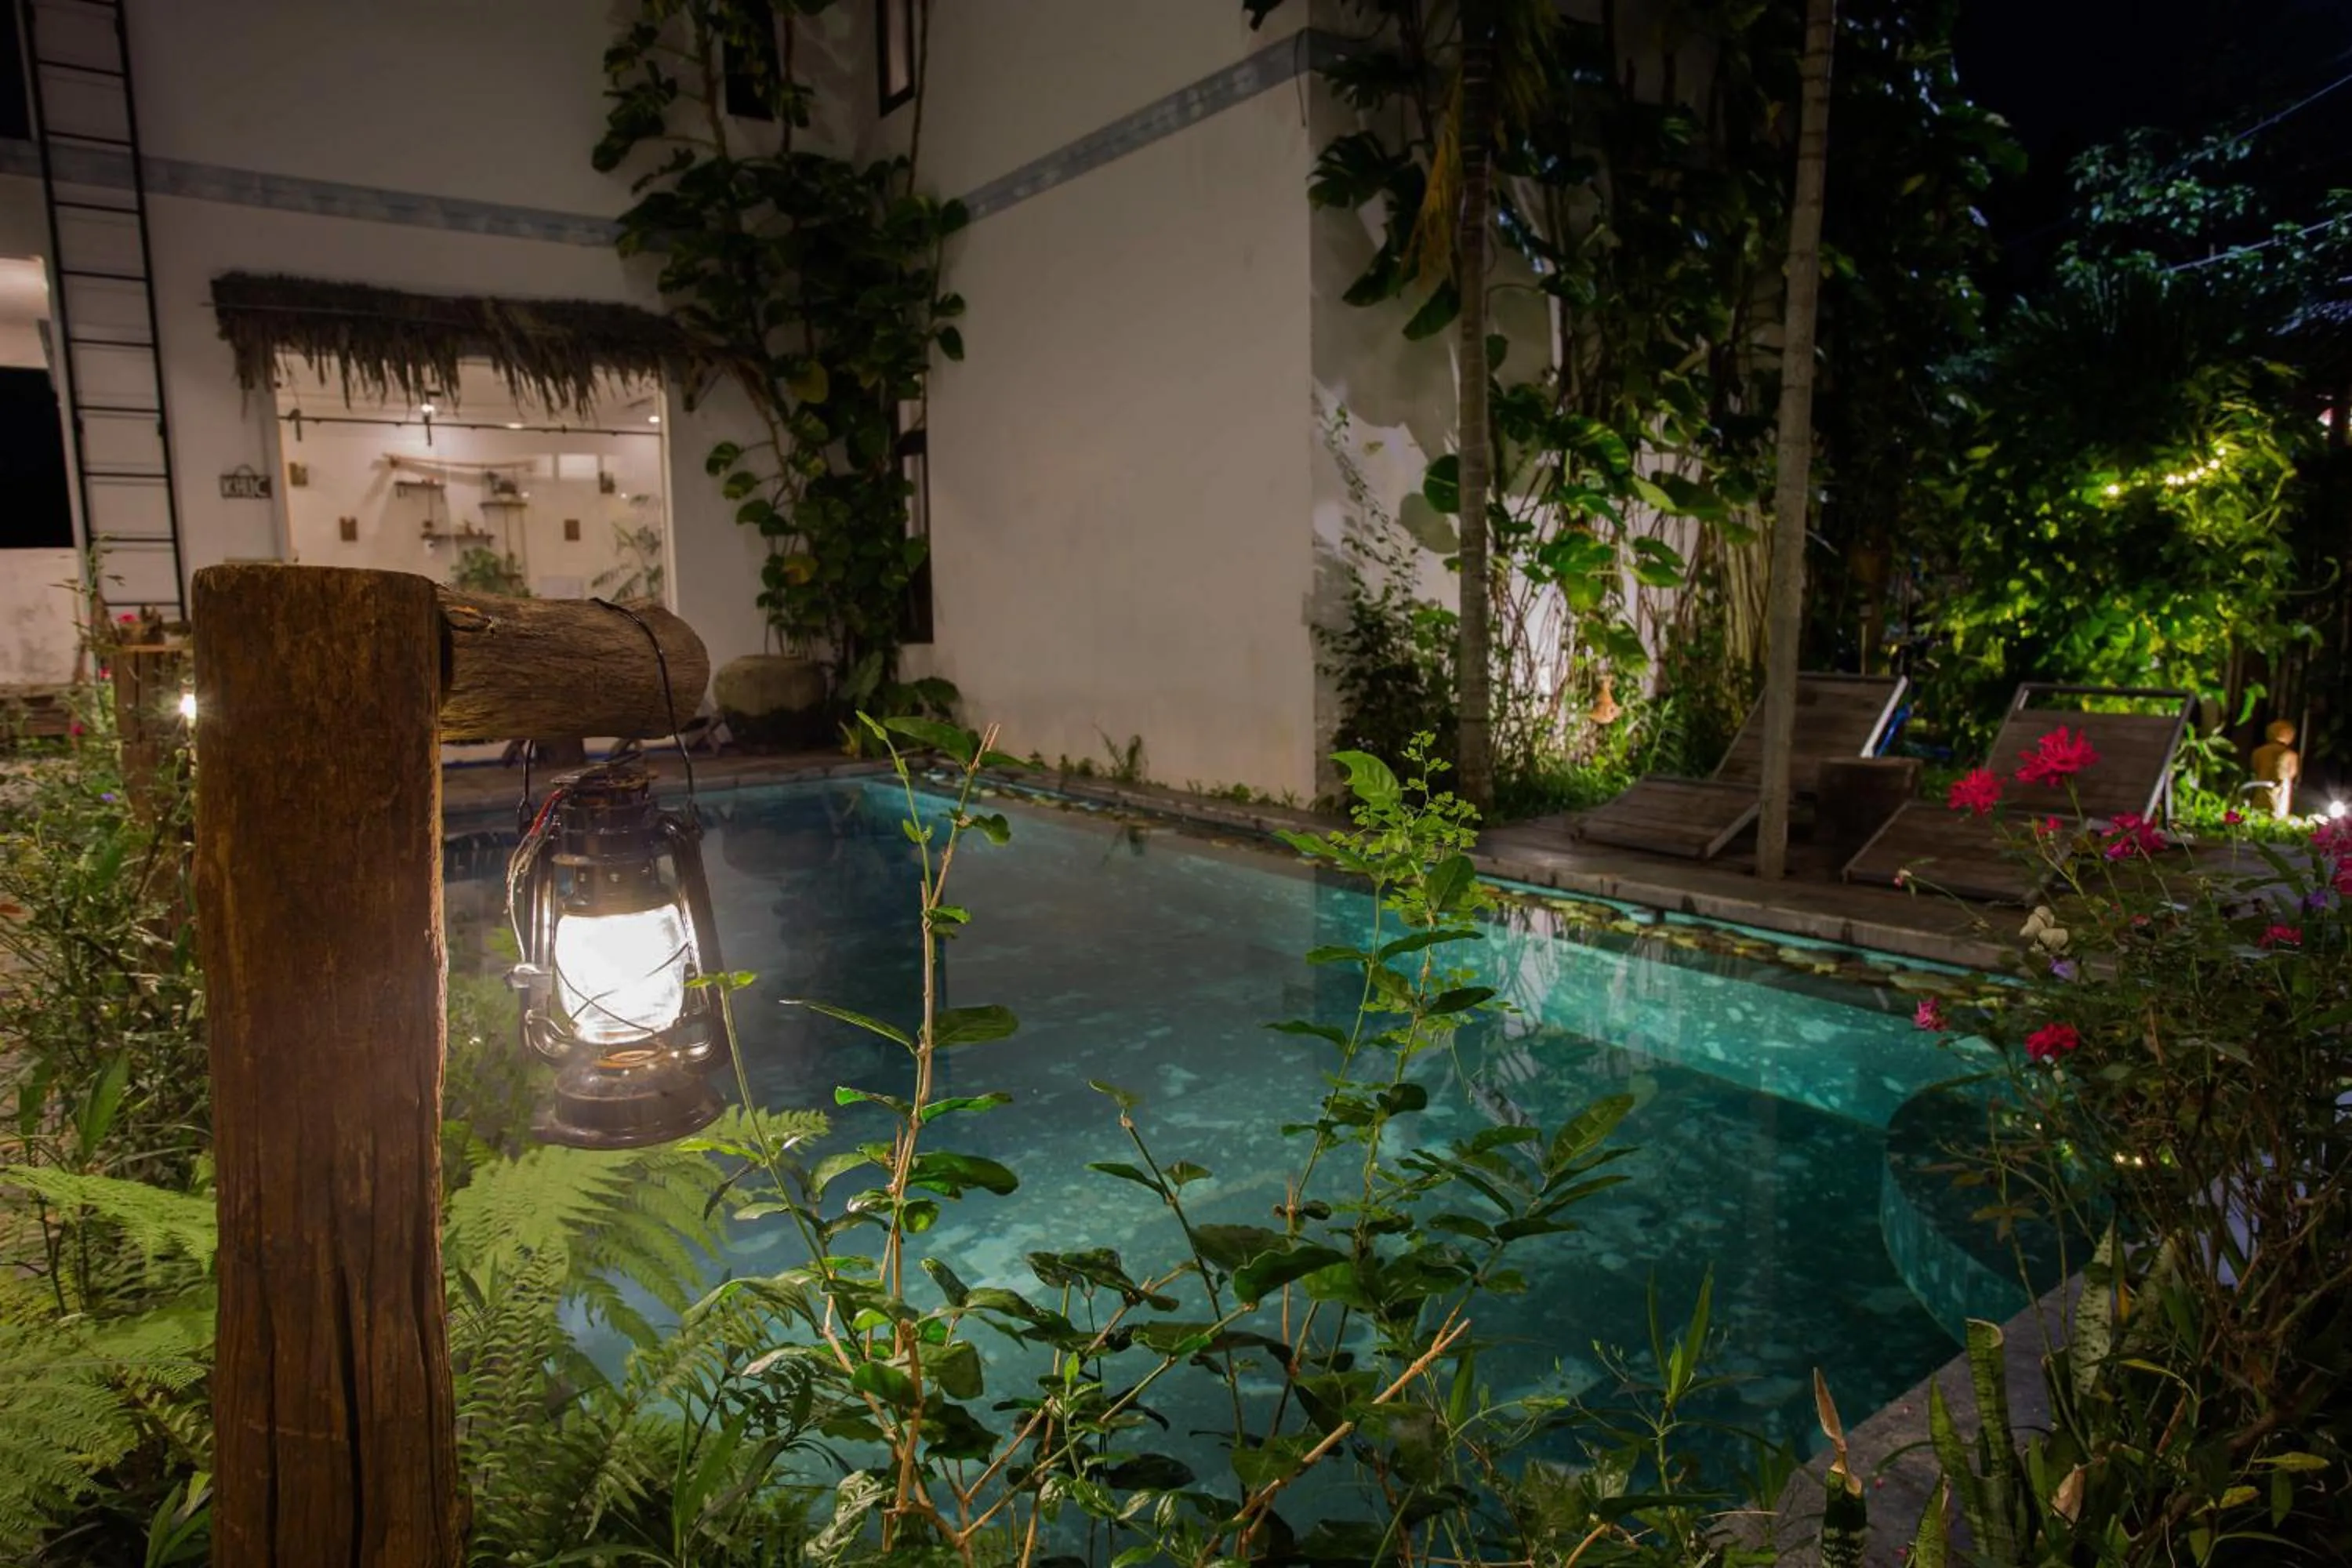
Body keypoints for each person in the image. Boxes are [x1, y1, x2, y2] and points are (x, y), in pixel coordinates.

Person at [2249, 719, 2300, 820]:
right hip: (2281, 787)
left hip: (2261, 786)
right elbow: (2293, 772)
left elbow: (2254, 767)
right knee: (2278, 813)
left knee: (2259, 812)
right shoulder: (2291, 754)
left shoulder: (2258, 752)